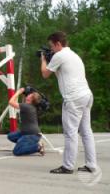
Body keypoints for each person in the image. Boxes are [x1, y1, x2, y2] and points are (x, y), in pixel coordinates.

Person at [41, 31, 97, 174]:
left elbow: (45, 74)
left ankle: (68, 166)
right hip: (86, 95)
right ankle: (91, 164)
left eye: (51, 46)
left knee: (70, 133)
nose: (51, 49)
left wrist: (43, 59)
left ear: (58, 44)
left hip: (74, 98)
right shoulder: (73, 55)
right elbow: (60, 72)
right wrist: (51, 60)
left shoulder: (59, 55)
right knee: (86, 132)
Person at [8, 88, 45, 156]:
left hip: (32, 135)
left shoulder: (27, 107)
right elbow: (17, 103)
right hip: (26, 133)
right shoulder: (30, 106)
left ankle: (38, 147)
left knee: (16, 152)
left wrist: (18, 92)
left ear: (30, 100)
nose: (27, 95)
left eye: (29, 95)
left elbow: (11, 102)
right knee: (10, 136)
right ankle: (26, 144)